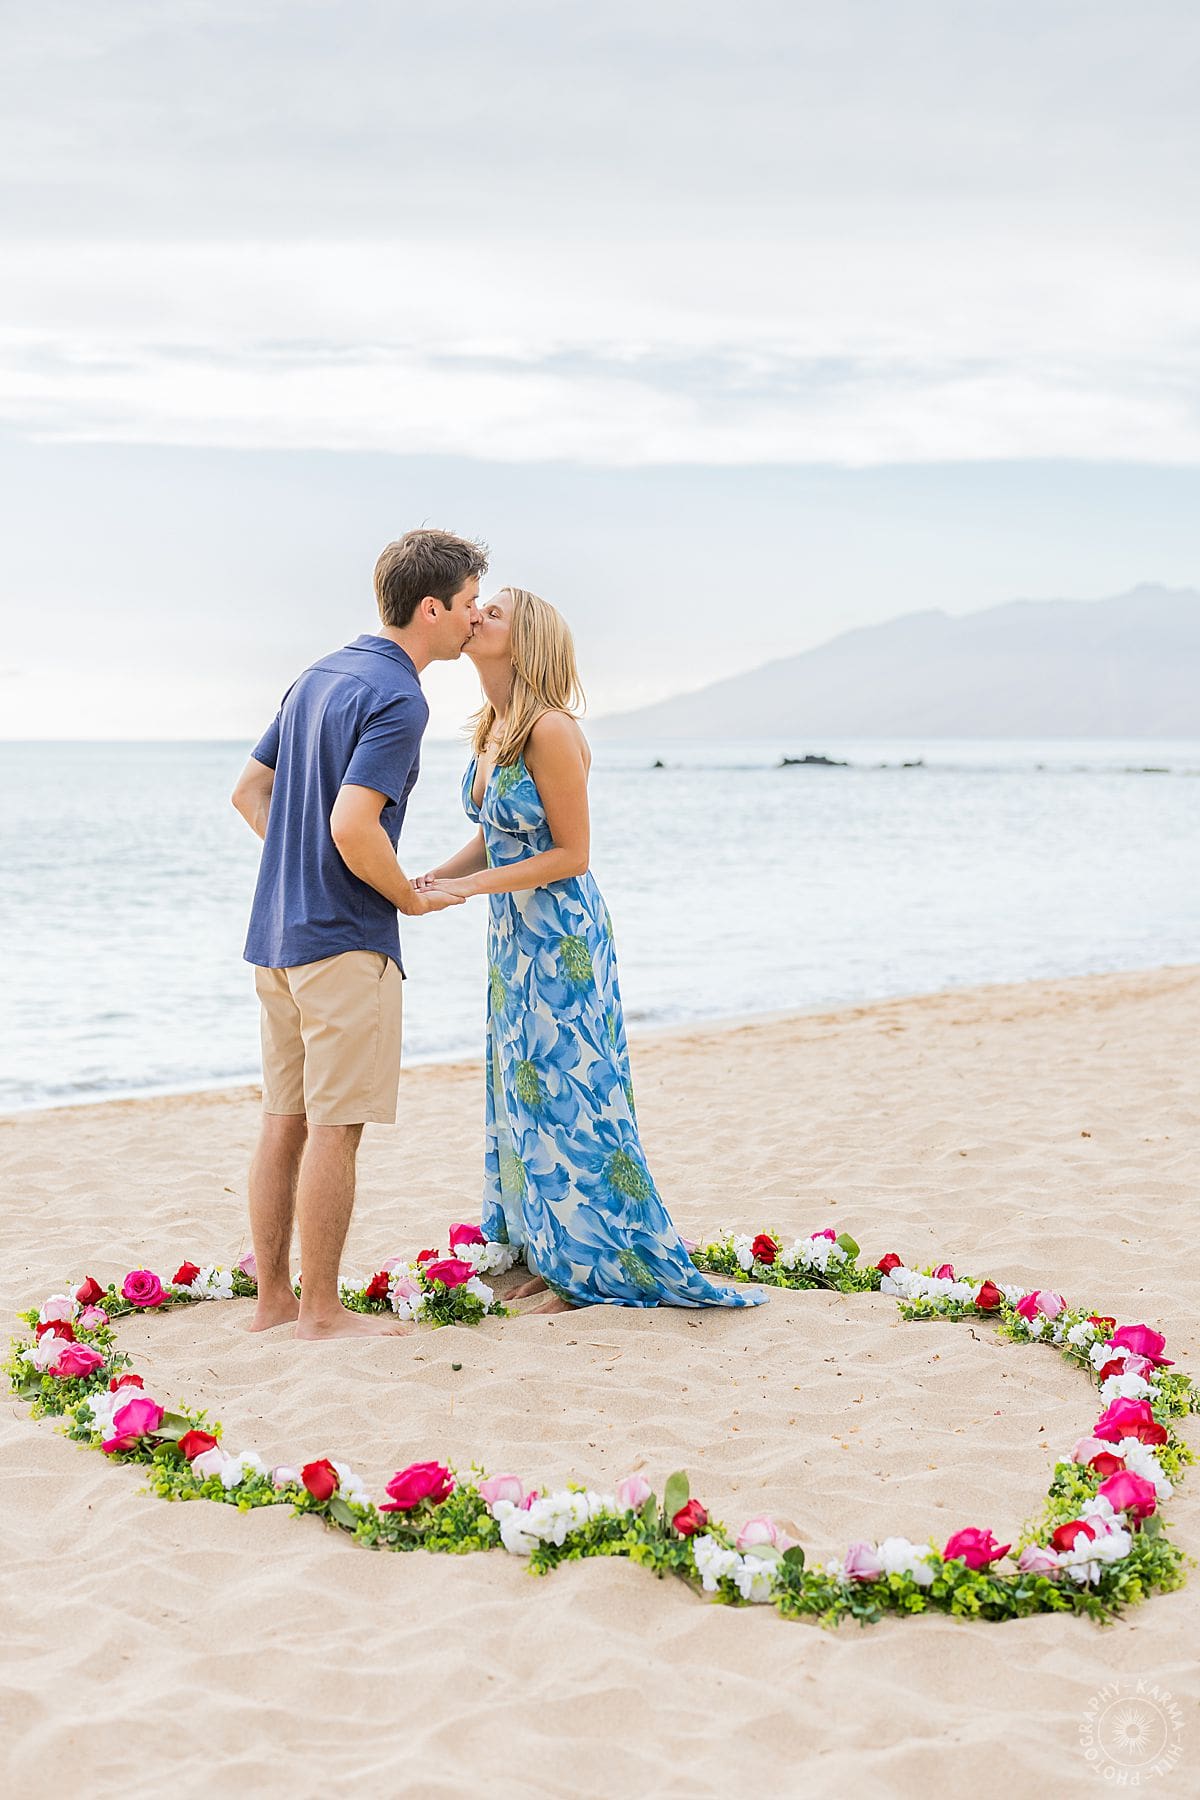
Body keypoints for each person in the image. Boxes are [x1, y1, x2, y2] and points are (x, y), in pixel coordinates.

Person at [416, 586, 764, 1314]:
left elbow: (572, 853)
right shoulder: (494, 725)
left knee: (576, 1095)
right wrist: (437, 878)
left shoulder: (549, 729)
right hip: (513, 938)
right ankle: (550, 1248)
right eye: (478, 607)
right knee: (524, 1089)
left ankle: (593, 1265)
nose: (475, 614)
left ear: (528, 640)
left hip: (562, 935)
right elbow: (498, 829)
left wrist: (474, 886)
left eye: (494, 612)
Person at [231, 528, 487, 1339]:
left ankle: (274, 1303)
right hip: (344, 942)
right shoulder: (400, 696)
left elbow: (250, 793)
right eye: (471, 606)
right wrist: (406, 900)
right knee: (335, 1131)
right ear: (431, 607)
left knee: (284, 1120)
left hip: (276, 937)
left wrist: (299, 866)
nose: (475, 622)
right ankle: (320, 1315)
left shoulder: (319, 673)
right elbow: (352, 825)